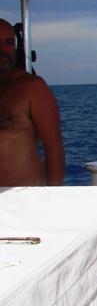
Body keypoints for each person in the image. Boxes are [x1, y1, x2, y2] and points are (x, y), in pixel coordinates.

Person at [0, 18, 64, 186]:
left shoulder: (32, 88)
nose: (3, 49)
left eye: (9, 43)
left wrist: (52, 197)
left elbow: (54, 148)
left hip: (21, 202)